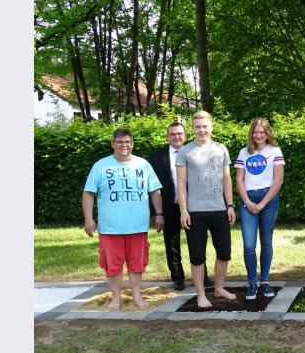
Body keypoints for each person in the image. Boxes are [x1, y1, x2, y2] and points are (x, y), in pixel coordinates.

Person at [82, 128, 164, 310]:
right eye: (119, 142)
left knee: (137, 263)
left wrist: (159, 214)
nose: (124, 145)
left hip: (138, 225)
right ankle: (116, 298)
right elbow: (88, 193)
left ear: (132, 144)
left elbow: (154, 191)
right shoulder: (100, 166)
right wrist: (89, 219)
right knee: (112, 264)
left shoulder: (143, 165)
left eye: (127, 142)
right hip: (111, 226)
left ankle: (136, 296)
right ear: (113, 144)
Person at [176, 111, 237, 308]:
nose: (201, 130)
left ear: (211, 127)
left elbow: (227, 179)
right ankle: (201, 294)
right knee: (197, 256)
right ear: (192, 129)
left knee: (224, 253)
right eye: (197, 127)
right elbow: (181, 182)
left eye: (205, 126)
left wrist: (230, 205)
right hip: (195, 212)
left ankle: (219, 288)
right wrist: (184, 210)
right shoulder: (184, 152)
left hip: (219, 209)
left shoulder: (221, 149)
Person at [147, 121, 213, 291]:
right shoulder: (156, 157)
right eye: (172, 134)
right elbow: (152, 187)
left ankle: (203, 276)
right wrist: (158, 213)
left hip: (193, 205)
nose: (176, 136)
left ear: (185, 135)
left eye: (179, 133)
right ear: (167, 136)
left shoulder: (195, 152)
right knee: (171, 243)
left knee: (197, 242)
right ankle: (177, 277)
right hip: (169, 206)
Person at [234, 117, 285, 300]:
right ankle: (252, 283)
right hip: (248, 199)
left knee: (266, 242)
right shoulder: (244, 152)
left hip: (268, 199)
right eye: (255, 132)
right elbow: (239, 179)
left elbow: (278, 180)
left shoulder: (275, 151)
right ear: (251, 133)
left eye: (262, 132)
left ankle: (264, 281)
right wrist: (247, 202)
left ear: (267, 133)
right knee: (249, 244)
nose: (258, 135)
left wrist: (263, 203)